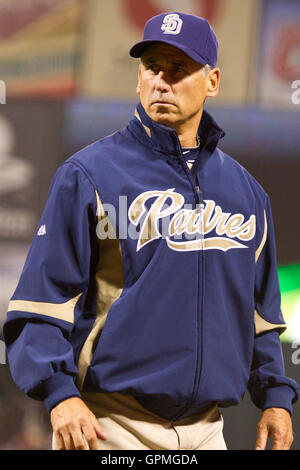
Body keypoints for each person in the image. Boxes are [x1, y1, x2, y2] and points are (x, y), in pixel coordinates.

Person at [3, 12, 299, 451]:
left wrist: (276, 397)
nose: (161, 81)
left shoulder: (246, 194)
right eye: (151, 67)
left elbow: (261, 317)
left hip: (209, 430)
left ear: (212, 80)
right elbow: (38, 305)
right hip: (110, 424)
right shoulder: (89, 175)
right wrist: (59, 394)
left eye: (178, 69)